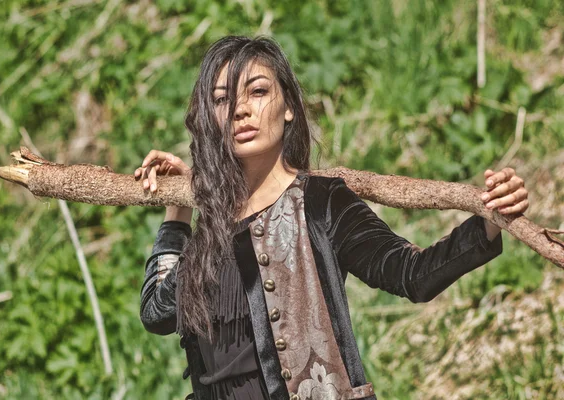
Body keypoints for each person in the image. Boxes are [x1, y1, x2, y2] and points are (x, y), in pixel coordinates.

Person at [135, 36, 529, 400]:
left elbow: (412, 273)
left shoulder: (321, 202)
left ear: (288, 107)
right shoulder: (214, 225)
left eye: (258, 91)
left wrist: (490, 220)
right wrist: (180, 208)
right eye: (222, 99)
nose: (241, 109)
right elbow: (157, 314)